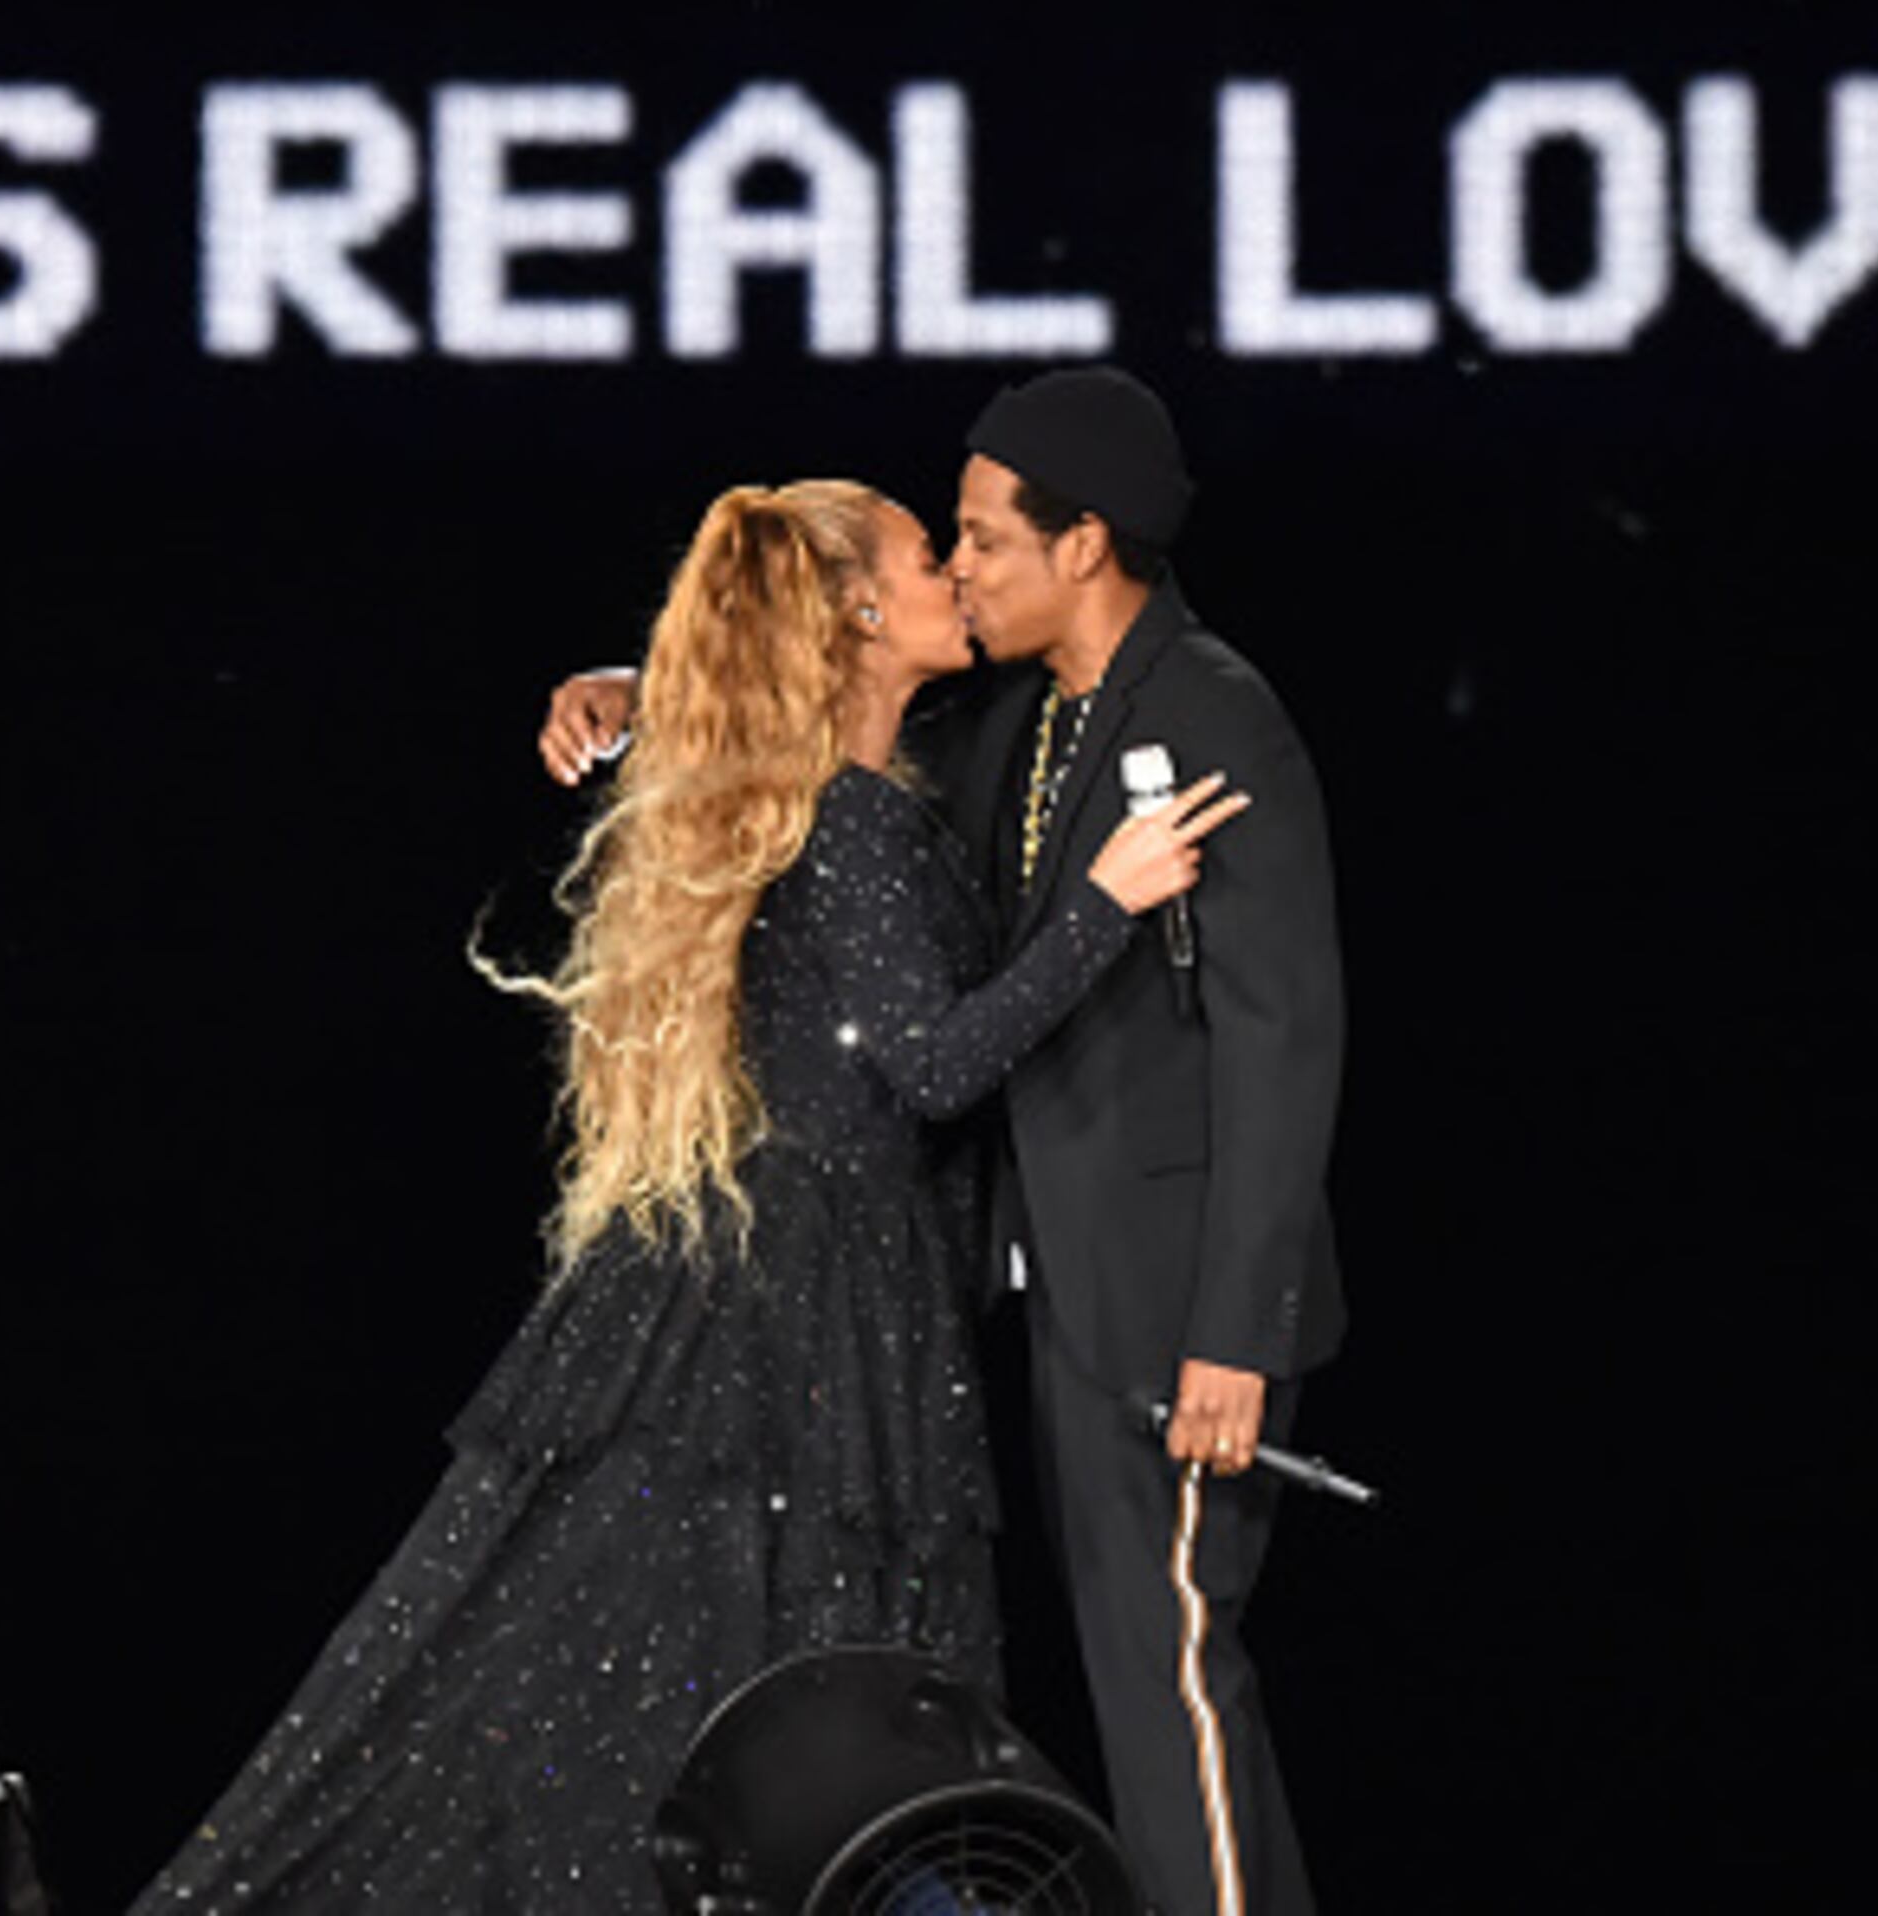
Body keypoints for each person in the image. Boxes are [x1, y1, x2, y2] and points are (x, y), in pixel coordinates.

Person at [132, 479, 1246, 1915]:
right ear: (857, 607)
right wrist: (1111, 898)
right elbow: (935, 1064)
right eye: (932, 556)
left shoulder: (832, 782)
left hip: (781, 1290)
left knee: (755, 1696)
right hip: (803, 1313)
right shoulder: (845, 820)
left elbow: (754, 699)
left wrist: (628, 686)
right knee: (804, 1708)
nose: (960, 578)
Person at [538, 369, 1345, 1916]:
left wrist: (1241, 1331)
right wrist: (640, 690)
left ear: (1085, 542)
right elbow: (809, 714)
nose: (960, 569)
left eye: (980, 538)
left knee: (1176, 1690)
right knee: (1131, 1690)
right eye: (948, 548)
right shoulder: (1024, 732)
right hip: (1072, 1310)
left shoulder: (1213, 716)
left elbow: (1283, 1044)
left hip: (1182, 1324)